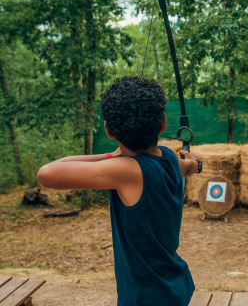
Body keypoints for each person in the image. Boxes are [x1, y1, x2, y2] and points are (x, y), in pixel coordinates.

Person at [37, 75, 198, 305]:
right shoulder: (171, 157)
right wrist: (193, 163)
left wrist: (111, 155)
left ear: (109, 130)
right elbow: (188, 166)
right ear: (162, 123)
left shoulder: (126, 171)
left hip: (146, 297)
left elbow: (46, 173)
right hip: (173, 285)